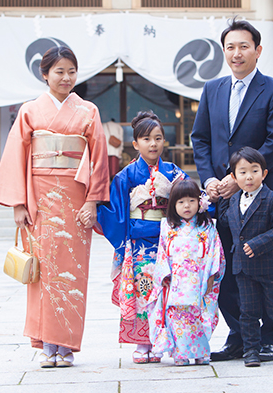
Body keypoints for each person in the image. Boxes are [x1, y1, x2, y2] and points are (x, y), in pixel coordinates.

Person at [0, 46, 109, 368]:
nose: (66, 77)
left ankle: (67, 346)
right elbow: (17, 155)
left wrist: (92, 201)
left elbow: (98, 159)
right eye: (59, 71)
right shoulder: (30, 110)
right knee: (42, 273)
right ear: (45, 74)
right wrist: (18, 202)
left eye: (72, 71)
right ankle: (46, 345)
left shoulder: (88, 111)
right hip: (39, 199)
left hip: (75, 198)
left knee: (72, 272)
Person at [192, 18, 273, 363]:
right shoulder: (212, 89)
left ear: (258, 50)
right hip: (220, 197)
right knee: (227, 268)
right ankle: (240, 335)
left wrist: (241, 177)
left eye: (243, 46)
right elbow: (200, 139)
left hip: (258, 196)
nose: (236, 53)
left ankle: (271, 338)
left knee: (261, 267)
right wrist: (209, 181)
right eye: (230, 47)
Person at [97, 111, 187, 364]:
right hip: (139, 246)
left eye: (158, 138)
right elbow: (114, 209)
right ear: (135, 144)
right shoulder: (126, 175)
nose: (153, 144)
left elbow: (191, 197)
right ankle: (143, 342)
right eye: (147, 139)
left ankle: (170, 341)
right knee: (144, 291)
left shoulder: (173, 172)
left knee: (170, 290)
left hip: (169, 242)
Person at [222, 147, 273, 367]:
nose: (248, 176)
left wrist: (258, 244)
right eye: (242, 172)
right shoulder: (233, 201)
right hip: (243, 269)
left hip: (269, 267)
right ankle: (251, 350)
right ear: (234, 177)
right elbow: (226, 223)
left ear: (264, 173)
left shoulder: (271, 199)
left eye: (254, 170)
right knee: (248, 312)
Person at [147, 179, 225, 366]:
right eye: (181, 202)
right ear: (173, 205)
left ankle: (201, 352)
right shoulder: (168, 227)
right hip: (176, 282)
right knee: (177, 316)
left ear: (200, 202)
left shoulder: (208, 227)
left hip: (201, 279)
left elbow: (216, 253)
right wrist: (164, 276)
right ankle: (180, 353)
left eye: (191, 200)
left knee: (201, 315)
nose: (187, 206)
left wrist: (212, 277)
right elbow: (162, 253)